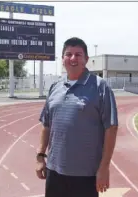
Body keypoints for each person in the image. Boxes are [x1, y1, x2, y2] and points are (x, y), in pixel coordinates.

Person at [35, 37, 118, 197]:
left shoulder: (100, 87)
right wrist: (40, 156)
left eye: (78, 54)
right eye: (68, 54)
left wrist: (104, 168)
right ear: (63, 59)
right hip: (54, 172)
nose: (73, 58)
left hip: (86, 175)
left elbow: (111, 128)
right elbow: (46, 125)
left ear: (86, 59)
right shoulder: (55, 87)